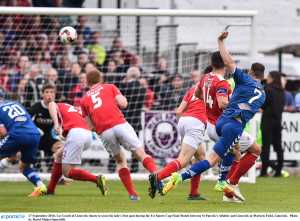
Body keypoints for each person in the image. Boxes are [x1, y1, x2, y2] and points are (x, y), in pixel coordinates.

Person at [162, 31, 266, 201]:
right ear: (263, 77)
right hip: (232, 126)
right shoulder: (262, 95)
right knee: (217, 158)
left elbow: (228, 62)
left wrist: (220, 42)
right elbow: (236, 105)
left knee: (234, 151)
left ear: (250, 72)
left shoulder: (241, 79)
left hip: (219, 122)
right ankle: (182, 177)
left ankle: (225, 183)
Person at [81, 69, 158, 201]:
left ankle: (133, 194)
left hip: (104, 132)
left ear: (87, 82)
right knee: (140, 153)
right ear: (101, 78)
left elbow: (90, 126)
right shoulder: (110, 87)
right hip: (120, 124)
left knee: (121, 161)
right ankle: (158, 177)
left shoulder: (84, 100)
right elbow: (123, 103)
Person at [200, 53, 263, 202]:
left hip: (215, 122)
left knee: (234, 153)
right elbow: (223, 102)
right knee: (248, 151)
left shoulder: (214, 79)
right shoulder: (228, 82)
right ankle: (229, 185)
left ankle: (228, 188)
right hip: (226, 123)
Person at [148, 81, 207, 200]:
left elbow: (178, 111)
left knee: (200, 157)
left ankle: (194, 193)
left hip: (183, 121)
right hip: (196, 123)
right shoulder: (213, 90)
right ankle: (158, 177)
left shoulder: (192, 90)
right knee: (184, 160)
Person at [44, 101, 107, 196]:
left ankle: (97, 179)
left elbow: (51, 104)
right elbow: (92, 125)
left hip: (76, 134)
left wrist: (56, 124)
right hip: (88, 135)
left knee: (67, 172)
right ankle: (50, 190)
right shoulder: (78, 110)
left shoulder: (61, 105)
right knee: (59, 155)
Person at [0, 93, 47, 197]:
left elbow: (2, 132)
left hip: (17, 134)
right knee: (24, 166)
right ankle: (40, 186)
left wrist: (10, 146)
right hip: (34, 134)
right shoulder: (17, 104)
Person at [260, 71, 285, 177]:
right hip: (278, 120)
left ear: (272, 78)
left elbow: (263, 103)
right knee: (278, 146)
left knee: (266, 146)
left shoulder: (267, 88)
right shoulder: (281, 91)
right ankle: (279, 169)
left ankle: (264, 170)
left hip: (268, 120)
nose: (267, 78)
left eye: (269, 76)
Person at [28, 84, 58, 172]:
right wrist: (35, 129)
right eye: (47, 92)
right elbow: (26, 120)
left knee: (59, 147)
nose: (49, 94)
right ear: (42, 94)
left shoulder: (57, 107)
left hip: (50, 137)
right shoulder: (36, 107)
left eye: (52, 92)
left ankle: (54, 169)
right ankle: (36, 167)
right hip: (36, 136)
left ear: (54, 94)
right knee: (37, 167)